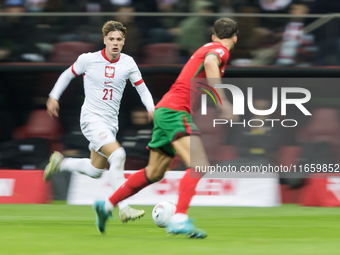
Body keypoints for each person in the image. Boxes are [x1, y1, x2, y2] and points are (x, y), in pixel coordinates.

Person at [93, 18, 238, 238]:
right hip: (175, 111)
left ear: (213, 35)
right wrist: (223, 101)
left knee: (154, 173)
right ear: (235, 38)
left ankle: (107, 205)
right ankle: (179, 219)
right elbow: (210, 64)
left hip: (165, 109)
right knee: (199, 164)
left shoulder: (207, 46)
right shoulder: (219, 50)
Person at [44, 20, 155, 223]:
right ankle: (124, 207)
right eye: (111, 39)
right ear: (104, 40)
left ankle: (62, 163)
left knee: (96, 170)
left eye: (119, 39)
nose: (115, 43)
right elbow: (67, 75)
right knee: (119, 154)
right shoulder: (88, 59)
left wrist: (151, 107)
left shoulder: (128, 63)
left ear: (123, 42)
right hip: (91, 120)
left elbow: (142, 88)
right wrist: (54, 96)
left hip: (111, 123)